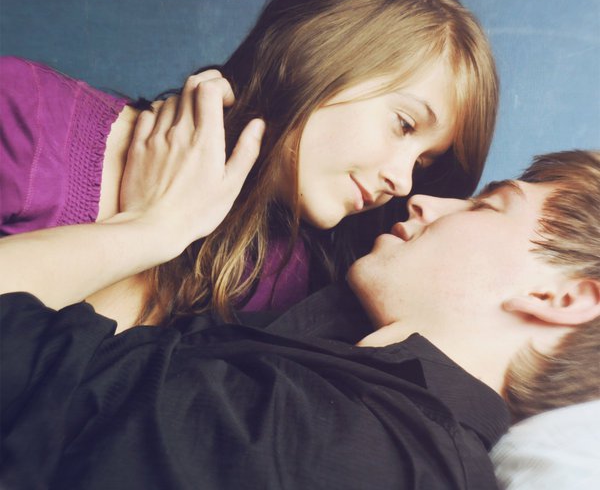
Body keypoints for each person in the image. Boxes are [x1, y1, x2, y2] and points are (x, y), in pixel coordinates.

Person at [1, 150, 598, 489]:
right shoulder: (350, 406)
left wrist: (153, 229)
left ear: (561, 297)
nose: (423, 199)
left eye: (489, 205)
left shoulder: (344, 446)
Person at [0, 0, 498, 329]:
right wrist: (149, 230)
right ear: (319, 51)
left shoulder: (289, 285)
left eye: (422, 163)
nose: (403, 182)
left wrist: (159, 233)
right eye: (404, 124)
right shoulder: (24, 111)